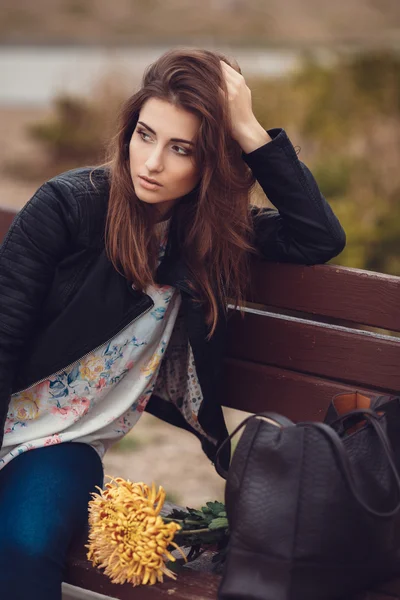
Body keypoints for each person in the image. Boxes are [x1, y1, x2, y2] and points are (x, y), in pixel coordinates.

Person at [0, 48, 346, 599]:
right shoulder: (70, 206)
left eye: (180, 148)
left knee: (23, 542)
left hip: (63, 442)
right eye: (145, 134)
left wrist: (248, 127)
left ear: (211, 163)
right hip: (9, 416)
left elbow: (319, 238)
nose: (151, 162)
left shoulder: (213, 237)